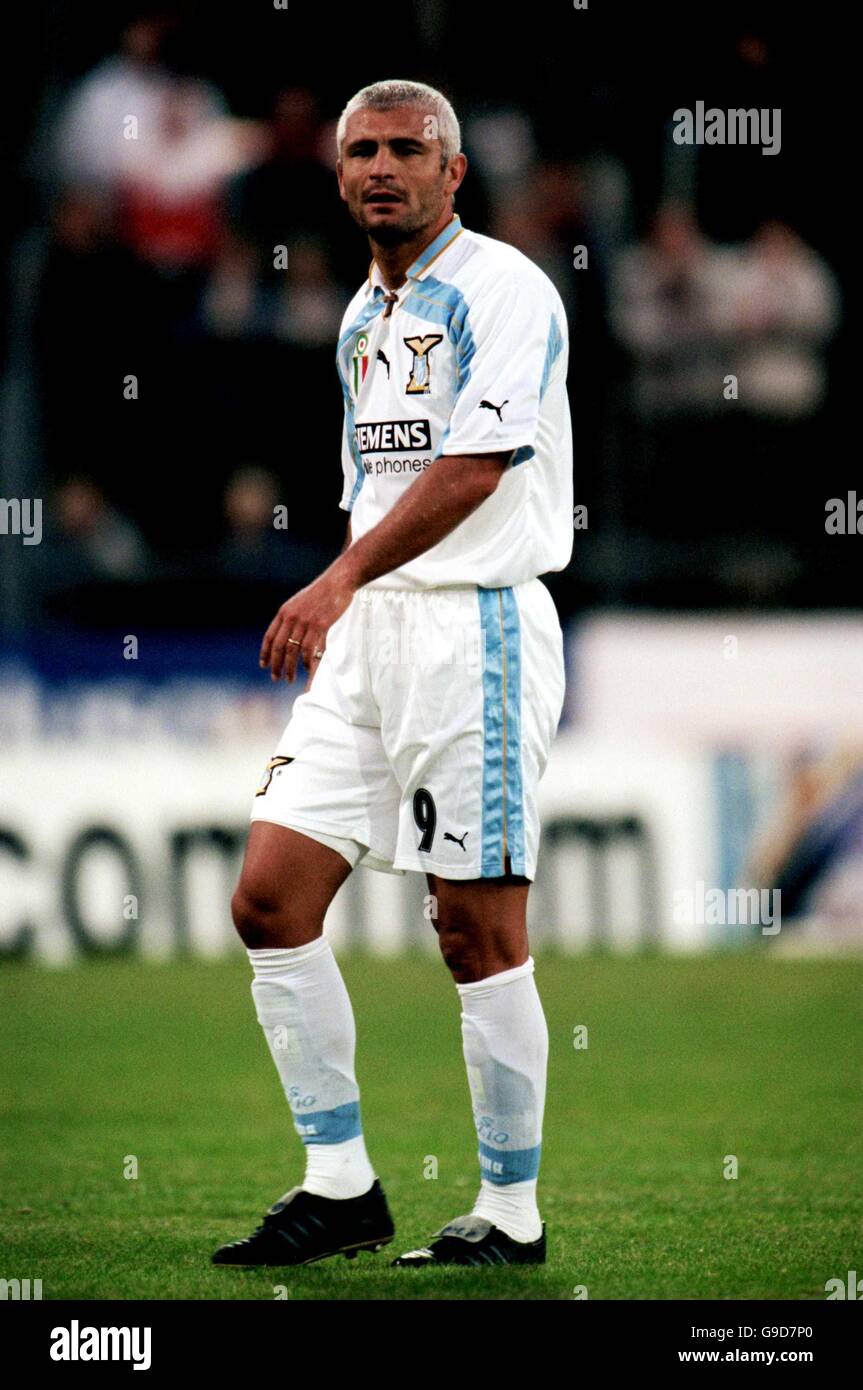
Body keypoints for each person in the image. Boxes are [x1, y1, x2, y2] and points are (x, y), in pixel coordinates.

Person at [212, 78, 573, 1271]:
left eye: (405, 149)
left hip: (473, 629)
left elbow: (475, 465)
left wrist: (331, 581)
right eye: (359, 150)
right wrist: (349, 597)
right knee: (268, 894)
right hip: (370, 633)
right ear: (336, 174)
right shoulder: (362, 317)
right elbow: (380, 477)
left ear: (452, 171)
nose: (380, 167)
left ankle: (508, 1215)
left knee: (471, 928)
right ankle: (340, 1184)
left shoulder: (503, 288)